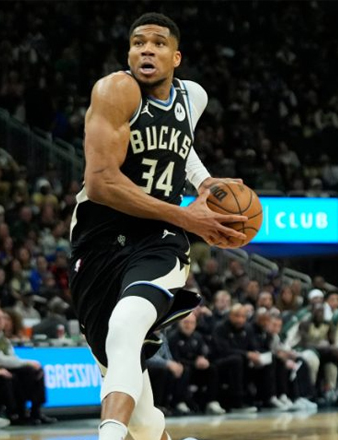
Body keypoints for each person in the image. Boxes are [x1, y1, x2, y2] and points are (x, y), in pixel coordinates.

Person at [68, 12, 248, 440]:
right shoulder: (115, 91)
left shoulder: (194, 97)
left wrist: (204, 184)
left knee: (126, 325)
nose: (146, 50)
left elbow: (182, 145)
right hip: (99, 238)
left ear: (176, 57)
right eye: (138, 43)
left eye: (158, 43)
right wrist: (188, 216)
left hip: (158, 239)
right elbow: (101, 183)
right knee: (145, 420)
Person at [0, 306, 52, 425]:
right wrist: (26, 362)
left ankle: (35, 411)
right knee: (14, 376)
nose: (0, 321)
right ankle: (15, 413)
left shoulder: (2, 338)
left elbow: (12, 357)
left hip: (7, 367)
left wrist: (27, 364)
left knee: (35, 372)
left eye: (2, 318)